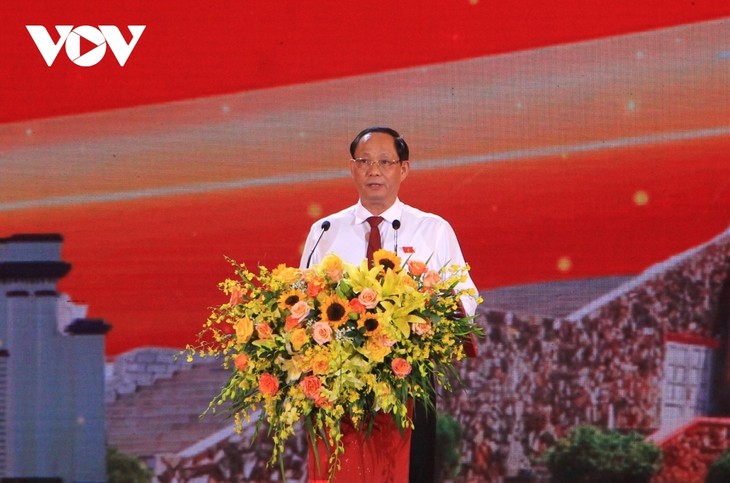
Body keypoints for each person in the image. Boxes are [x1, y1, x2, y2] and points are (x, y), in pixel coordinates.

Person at [300, 126, 478, 482]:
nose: (374, 170)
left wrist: (423, 315)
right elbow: (302, 302)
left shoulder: (433, 229)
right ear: (352, 168)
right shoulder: (325, 230)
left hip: (406, 382)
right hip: (336, 386)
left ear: (403, 169)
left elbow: (466, 298)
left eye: (385, 162)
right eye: (364, 162)